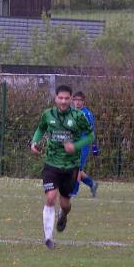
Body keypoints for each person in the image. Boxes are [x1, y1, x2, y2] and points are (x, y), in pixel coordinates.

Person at [30, 85, 94, 249]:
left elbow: (90, 136)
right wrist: (34, 142)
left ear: (71, 99)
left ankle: (63, 214)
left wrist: (76, 145)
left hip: (71, 166)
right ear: (56, 98)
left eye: (67, 98)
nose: (64, 101)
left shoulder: (78, 116)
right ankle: (48, 238)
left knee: (65, 204)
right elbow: (40, 129)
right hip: (51, 163)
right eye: (61, 98)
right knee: (50, 197)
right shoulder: (47, 115)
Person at [70, 91, 99, 197]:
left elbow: (91, 130)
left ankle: (74, 192)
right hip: (73, 145)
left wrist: (94, 146)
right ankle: (92, 184)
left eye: (80, 100)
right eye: (75, 100)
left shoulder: (86, 113)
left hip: (83, 145)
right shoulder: (71, 112)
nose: (77, 102)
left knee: (76, 169)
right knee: (75, 169)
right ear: (73, 101)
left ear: (83, 101)